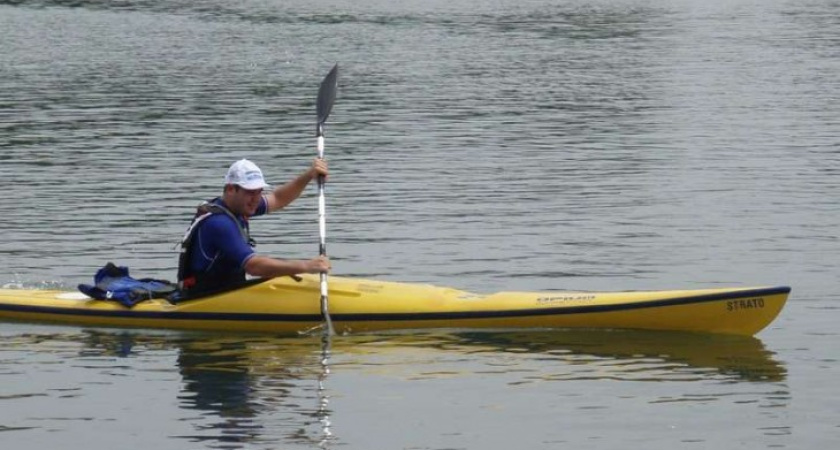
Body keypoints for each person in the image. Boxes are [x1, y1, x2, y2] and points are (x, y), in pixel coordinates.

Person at [177, 158, 331, 295]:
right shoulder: (219, 224)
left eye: (259, 192)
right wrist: (305, 265)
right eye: (250, 192)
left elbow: (278, 198)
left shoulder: (240, 205)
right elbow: (254, 267)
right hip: (204, 296)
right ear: (231, 189)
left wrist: (309, 175)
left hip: (228, 288)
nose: (256, 199)